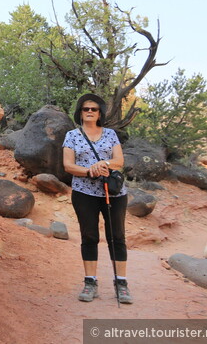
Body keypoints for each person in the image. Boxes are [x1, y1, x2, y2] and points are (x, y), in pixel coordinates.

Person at [62, 93, 132, 304]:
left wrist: (104, 165)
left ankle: (121, 283)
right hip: (84, 192)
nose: (90, 112)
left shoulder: (110, 134)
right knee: (89, 236)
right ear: (80, 113)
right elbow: (68, 166)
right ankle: (90, 282)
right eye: (86, 109)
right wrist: (90, 170)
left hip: (113, 192)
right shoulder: (72, 135)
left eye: (94, 109)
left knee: (116, 236)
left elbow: (119, 160)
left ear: (100, 113)